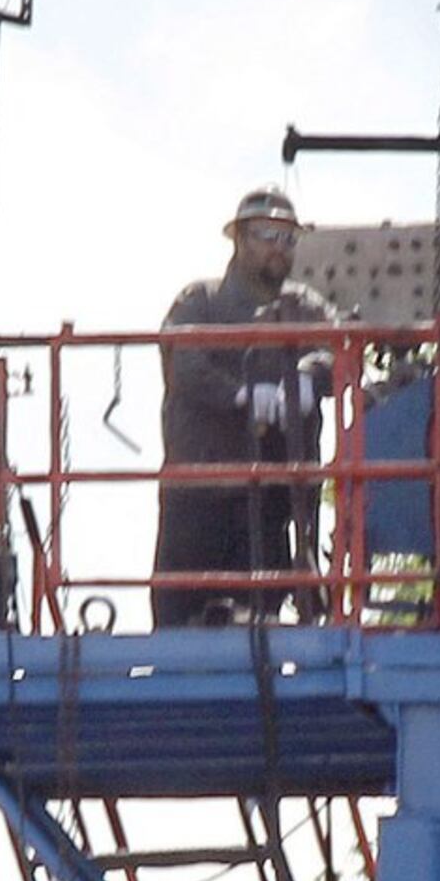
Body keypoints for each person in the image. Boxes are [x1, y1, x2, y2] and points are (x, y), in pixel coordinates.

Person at [155, 189, 344, 626]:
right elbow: (181, 360)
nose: (279, 247)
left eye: (288, 238)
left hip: (273, 501)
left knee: (265, 619)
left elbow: (343, 350)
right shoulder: (200, 301)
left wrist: (312, 374)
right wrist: (239, 394)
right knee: (180, 620)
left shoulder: (305, 307)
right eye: (267, 234)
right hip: (199, 495)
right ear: (240, 239)